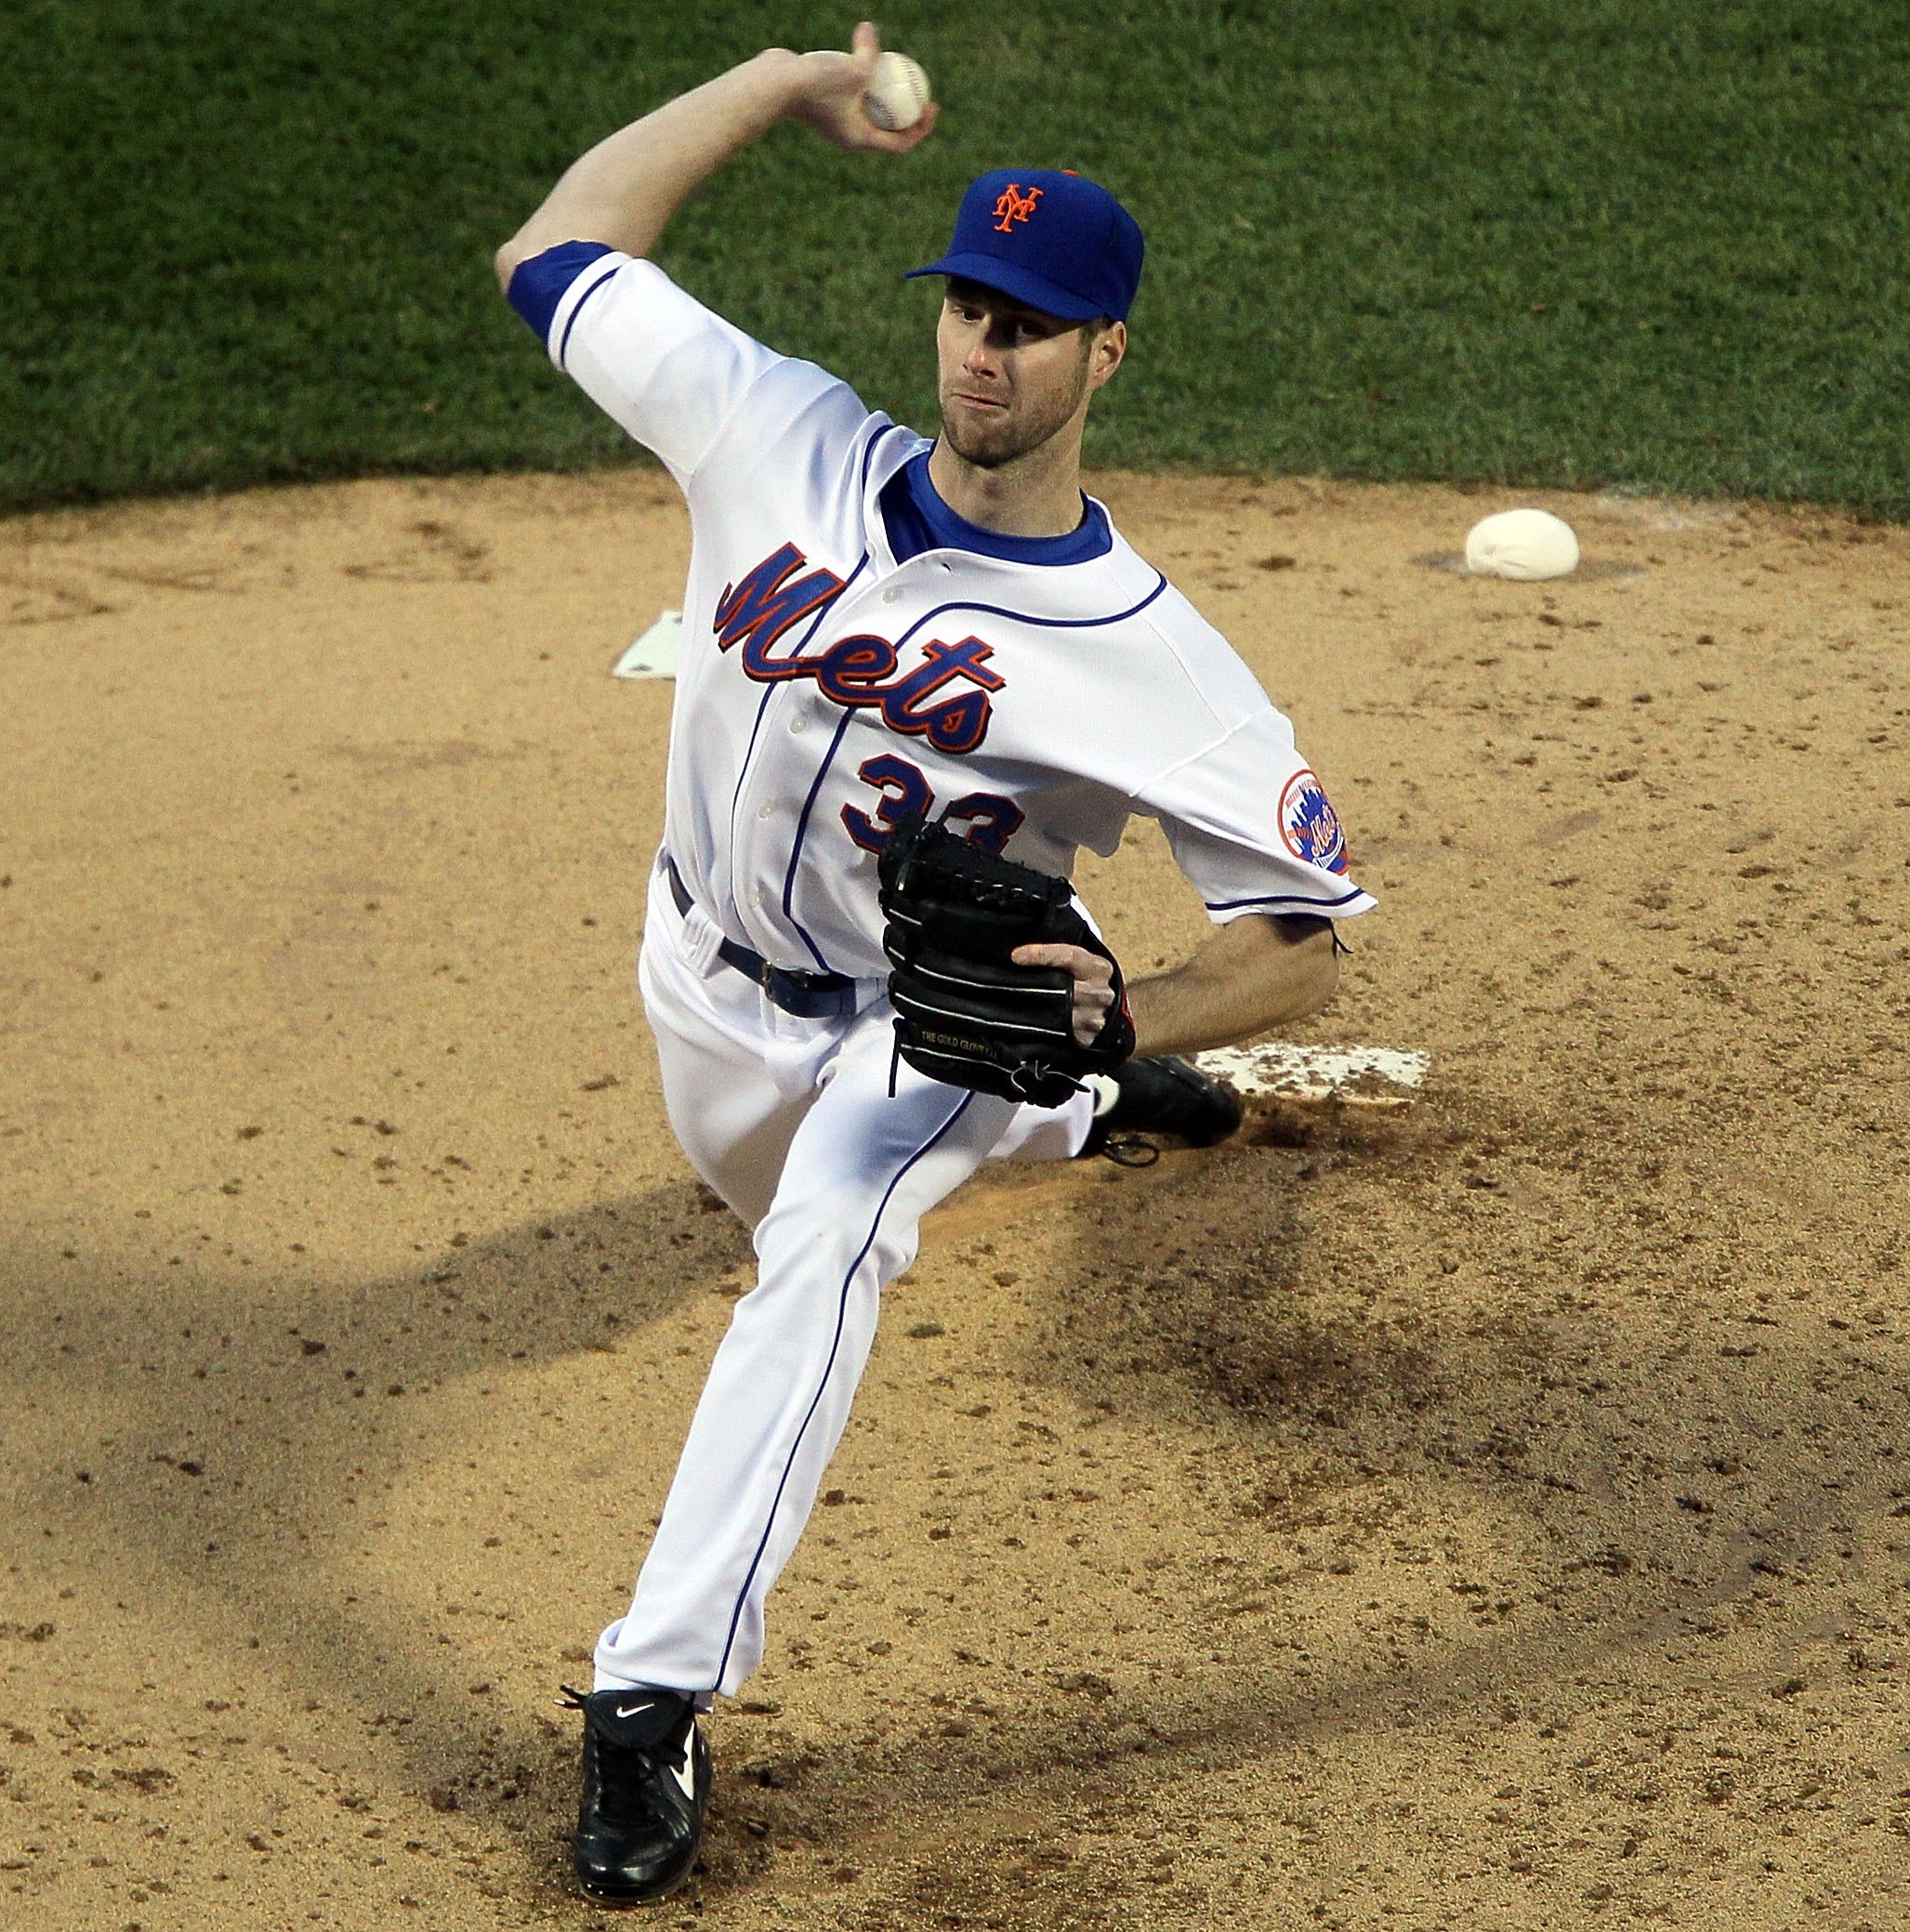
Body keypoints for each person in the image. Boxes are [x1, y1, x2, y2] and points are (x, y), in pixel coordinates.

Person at [493, 22, 1373, 1904]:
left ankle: (649, 1700)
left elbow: (1300, 938)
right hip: (697, 989)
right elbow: (556, 248)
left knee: (829, 1229)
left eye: (1031, 322)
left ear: (1102, 354)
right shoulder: (772, 423)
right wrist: (769, 81)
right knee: (788, 1176)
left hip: (911, 1033)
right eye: (970, 302)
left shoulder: (1150, 654)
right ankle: (1079, 1106)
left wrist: (1129, 995)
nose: (986, 345)